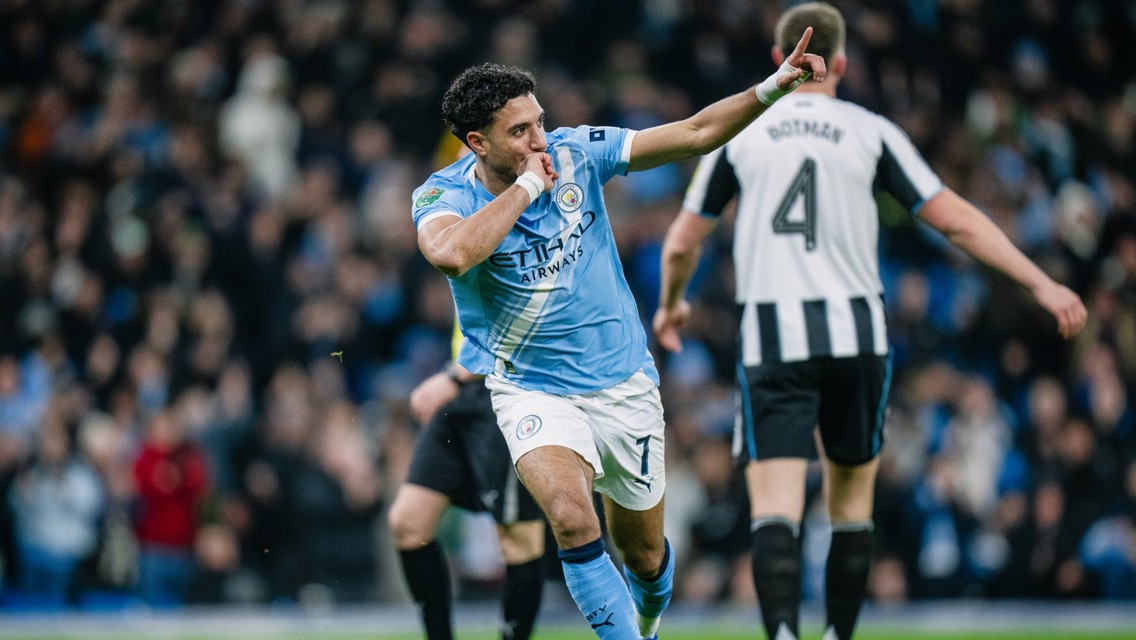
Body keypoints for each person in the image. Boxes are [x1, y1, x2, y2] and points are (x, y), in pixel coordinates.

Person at [652, 4, 1088, 640]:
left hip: (774, 337)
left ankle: (780, 633)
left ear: (778, 61)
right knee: (849, 504)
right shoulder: (870, 131)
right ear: (845, 64)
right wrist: (1041, 282)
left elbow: (682, 242)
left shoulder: (742, 134)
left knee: (775, 505)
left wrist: (671, 304)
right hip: (857, 335)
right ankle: (836, 635)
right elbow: (957, 220)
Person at [411, 34, 826, 640]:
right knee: (573, 520)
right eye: (520, 132)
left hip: (622, 382)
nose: (539, 141)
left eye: (540, 123)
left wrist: (771, 87)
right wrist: (528, 187)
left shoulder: (579, 153)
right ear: (477, 142)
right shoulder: (441, 195)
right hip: (532, 389)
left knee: (644, 558)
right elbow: (452, 255)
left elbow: (693, 133)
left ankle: (648, 621)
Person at [387, 327, 547, 640]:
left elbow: (520, 311)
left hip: (509, 389)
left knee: (519, 538)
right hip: (465, 386)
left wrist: (455, 377)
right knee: (408, 522)